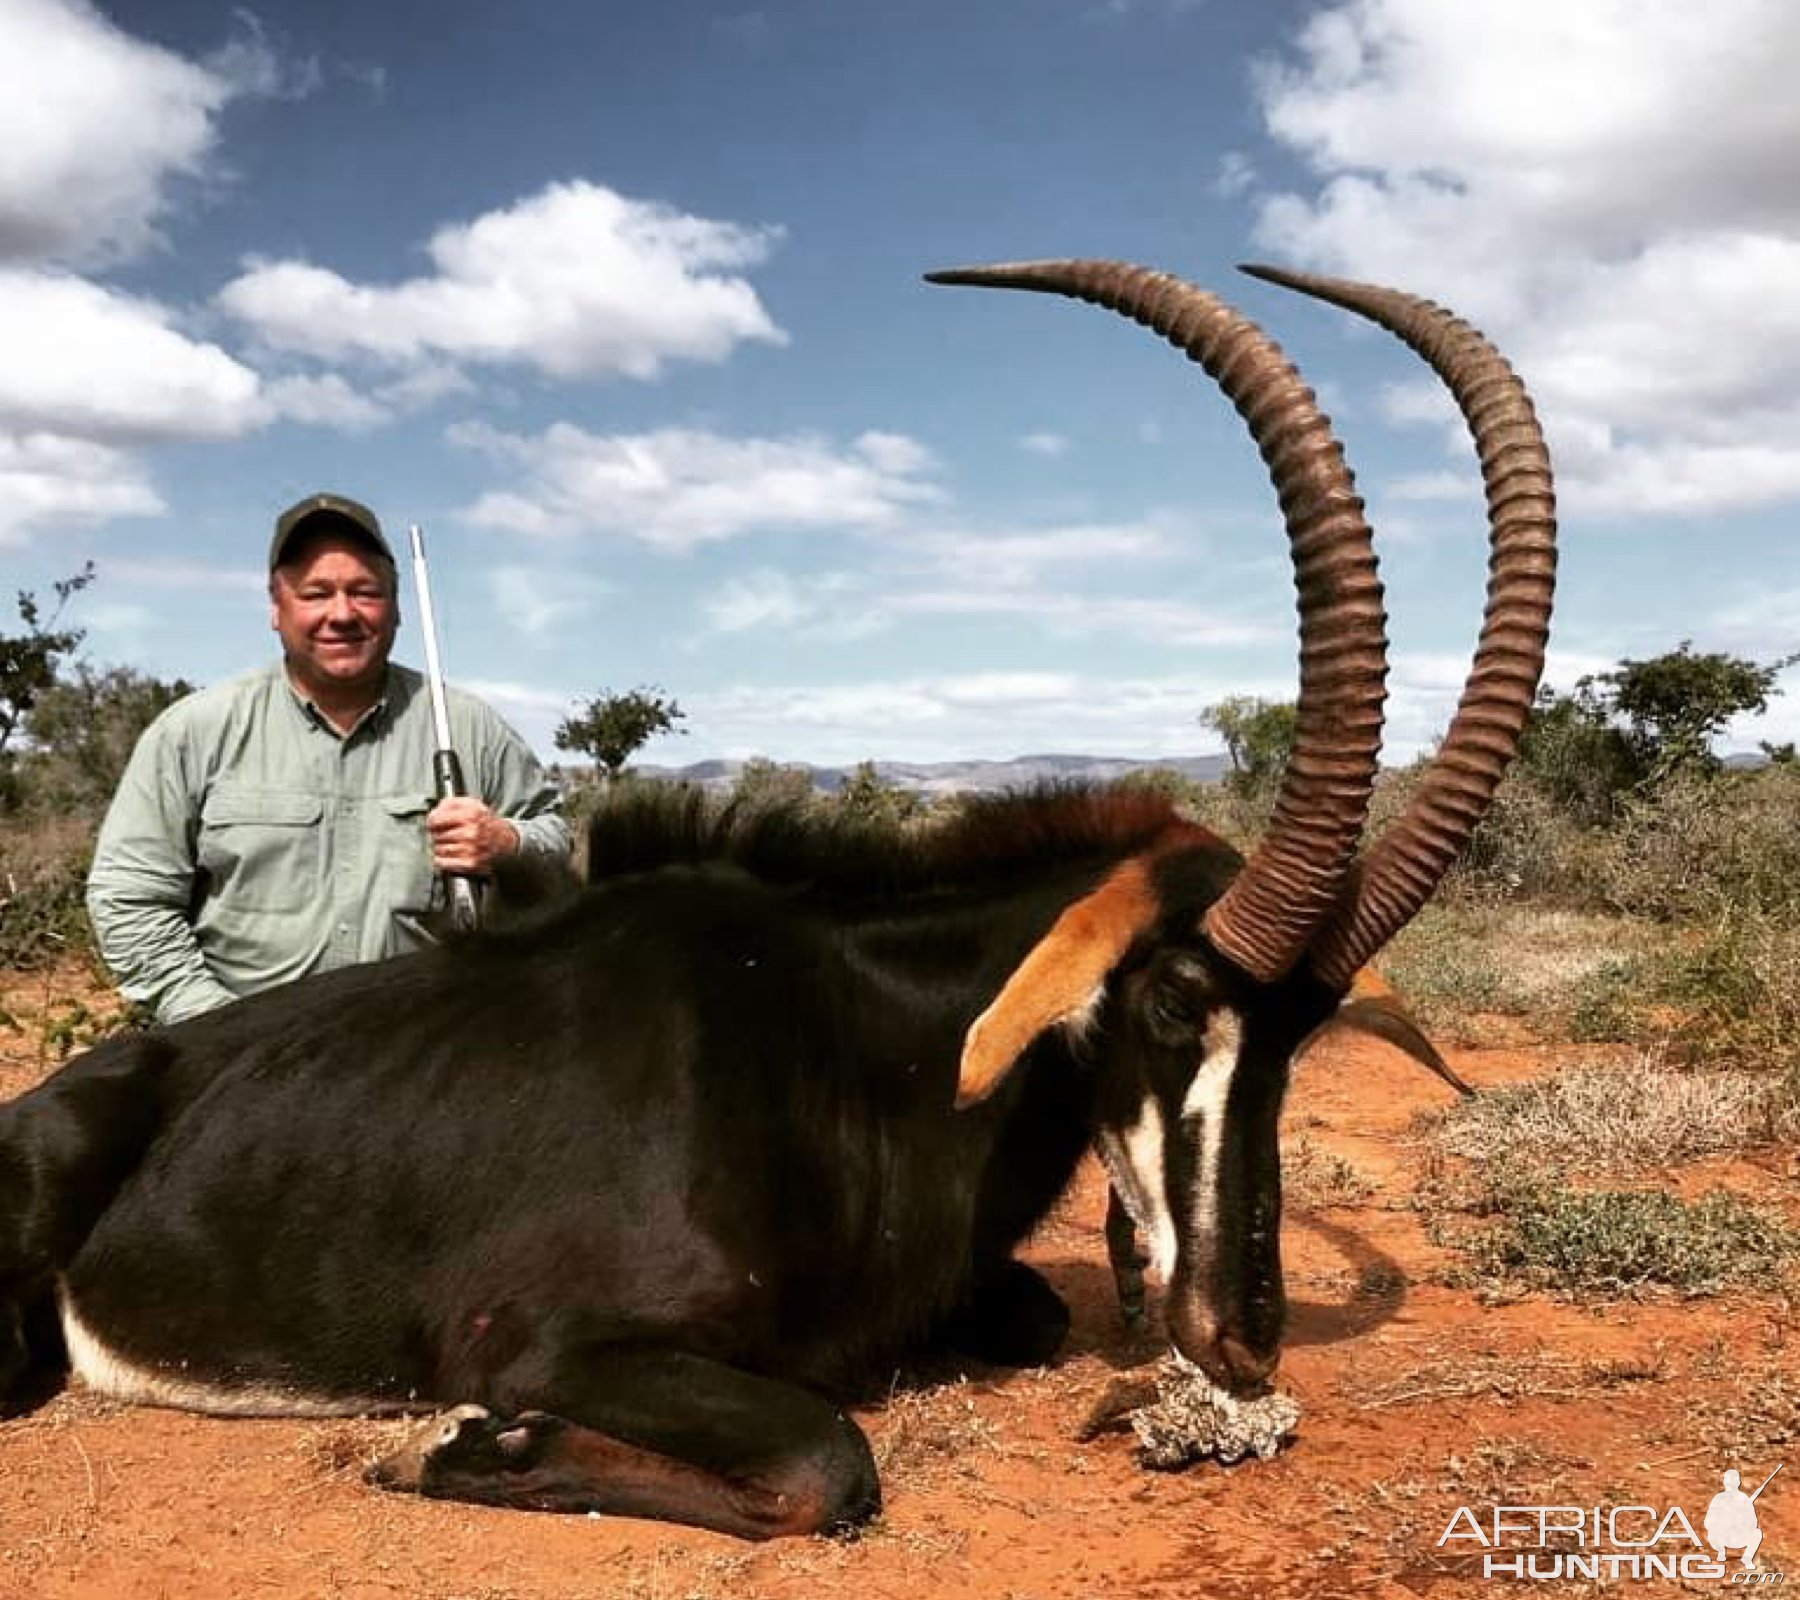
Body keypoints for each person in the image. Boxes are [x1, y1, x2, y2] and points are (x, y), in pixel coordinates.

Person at [87, 492, 571, 1024]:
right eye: (316, 593)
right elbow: (129, 898)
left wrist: (507, 842)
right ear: (277, 606)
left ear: (396, 607)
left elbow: (556, 838)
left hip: (415, 1051)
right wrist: (212, 1025)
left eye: (365, 592)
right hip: (235, 1055)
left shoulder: (470, 727)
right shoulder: (194, 732)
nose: (342, 614)